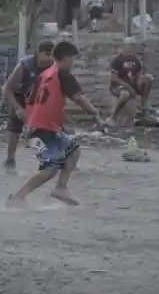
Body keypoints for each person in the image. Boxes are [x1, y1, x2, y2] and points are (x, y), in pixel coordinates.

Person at [7, 41, 102, 207]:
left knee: (73, 150)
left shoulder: (45, 74)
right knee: (50, 168)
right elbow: (78, 98)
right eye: (72, 59)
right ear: (66, 58)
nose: (73, 63)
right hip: (40, 129)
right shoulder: (63, 74)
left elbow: (34, 98)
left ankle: (61, 188)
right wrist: (96, 114)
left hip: (42, 127)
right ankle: (18, 197)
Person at [1, 39, 55, 173]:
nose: (49, 58)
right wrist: (18, 109)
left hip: (39, 98)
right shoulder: (24, 66)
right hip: (20, 96)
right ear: (38, 53)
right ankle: (10, 159)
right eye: (47, 54)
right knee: (15, 126)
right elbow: (7, 89)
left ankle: (55, 158)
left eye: (52, 55)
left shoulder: (53, 67)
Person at [109, 38, 153, 125]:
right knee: (125, 93)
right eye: (129, 45)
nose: (131, 48)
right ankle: (112, 117)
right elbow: (114, 79)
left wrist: (137, 83)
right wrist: (128, 87)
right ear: (124, 46)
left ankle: (144, 105)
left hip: (131, 85)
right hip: (118, 86)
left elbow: (138, 75)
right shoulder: (117, 60)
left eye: (133, 46)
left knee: (148, 78)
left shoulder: (135, 60)